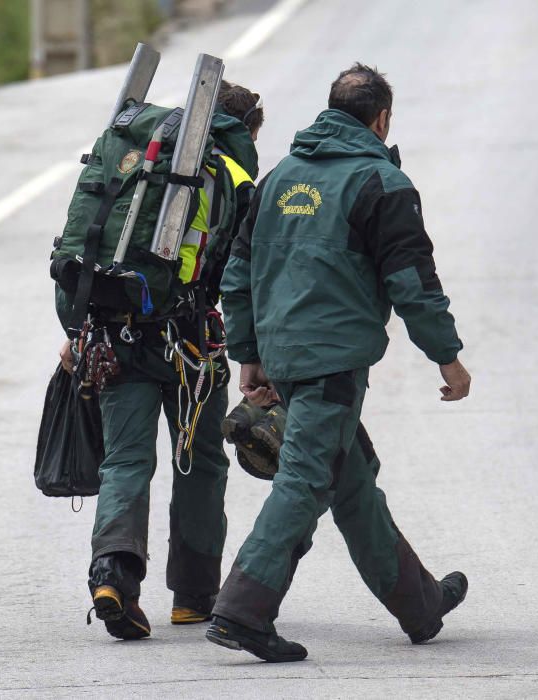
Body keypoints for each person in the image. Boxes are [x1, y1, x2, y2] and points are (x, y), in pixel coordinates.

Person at [205, 64, 473, 662]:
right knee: (304, 478)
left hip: (283, 353)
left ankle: (420, 604)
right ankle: (242, 610)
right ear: (381, 120)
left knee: (351, 481)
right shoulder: (381, 182)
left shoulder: (279, 177)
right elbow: (411, 281)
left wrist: (250, 354)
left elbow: (239, 272)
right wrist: (447, 357)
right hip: (331, 363)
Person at [56, 81, 264, 640]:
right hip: (192, 344)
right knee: (198, 463)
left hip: (115, 334)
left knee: (125, 463)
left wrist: (77, 331)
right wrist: (253, 356)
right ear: (249, 128)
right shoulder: (235, 176)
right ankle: (195, 596)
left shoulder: (131, 157)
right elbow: (238, 276)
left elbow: (81, 244)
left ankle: (113, 577)